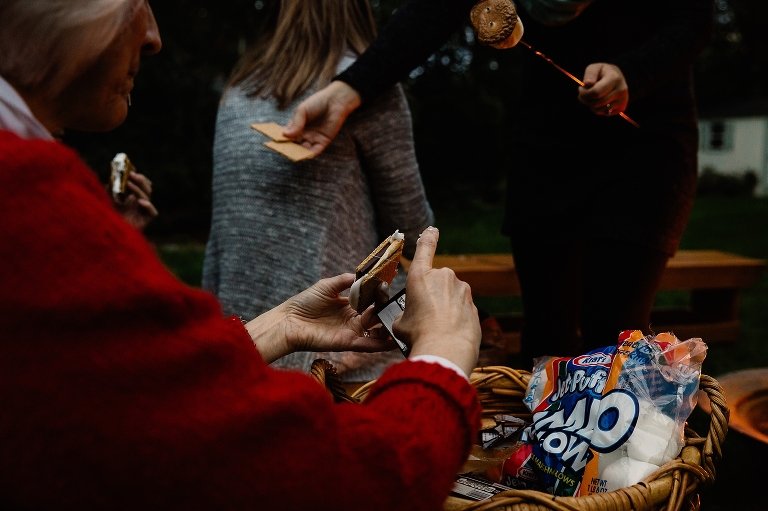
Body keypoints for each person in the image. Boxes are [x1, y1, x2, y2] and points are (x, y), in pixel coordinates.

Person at [0, 1, 482, 508]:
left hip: (240, 339)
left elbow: (140, 390)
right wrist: (443, 349)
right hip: (342, 379)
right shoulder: (29, 204)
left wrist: (279, 325)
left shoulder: (238, 90)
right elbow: (355, 486)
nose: (155, 36)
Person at [283, 0, 714, 362]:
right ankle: (547, 438)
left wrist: (634, 73)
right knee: (546, 337)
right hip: (547, 146)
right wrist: (347, 90)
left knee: (617, 336)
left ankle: (620, 432)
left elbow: (695, 16)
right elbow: (434, 9)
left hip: (643, 142)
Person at [202, 0, 434, 382]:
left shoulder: (239, 91)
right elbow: (411, 231)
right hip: (335, 358)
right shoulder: (365, 87)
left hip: (242, 344)